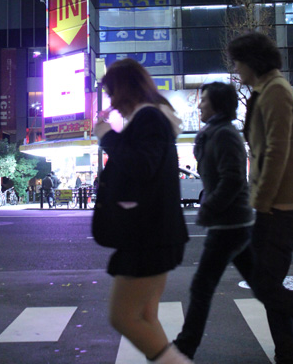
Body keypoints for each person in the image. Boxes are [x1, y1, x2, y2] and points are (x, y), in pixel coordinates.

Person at [93, 58, 190, 364]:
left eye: (112, 93)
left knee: (123, 317)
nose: (112, 102)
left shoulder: (149, 118)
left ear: (124, 89)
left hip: (148, 237)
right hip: (153, 235)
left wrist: (107, 135)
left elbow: (141, 166)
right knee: (146, 316)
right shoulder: (152, 118)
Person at [228, 31, 293, 364]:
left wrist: (261, 203)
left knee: (267, 286)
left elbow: (276, 153)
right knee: (267, 285)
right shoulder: (265, 90)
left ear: (252, 62)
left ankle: (290, 349)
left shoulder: (275, 92)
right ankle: (290, 349)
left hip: (282, 206)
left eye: (238, 62)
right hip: (275, 205)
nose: (236, 69)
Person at [173, 82, 254, 359]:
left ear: (217, 104)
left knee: (202, 285)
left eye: (204, 100)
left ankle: (185, 347)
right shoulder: (215, 133)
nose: (199, 105)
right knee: (264, 286)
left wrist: (209, 208)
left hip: (229, 224)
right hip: (233, 223)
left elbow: (233, 179)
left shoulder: (224, 135)